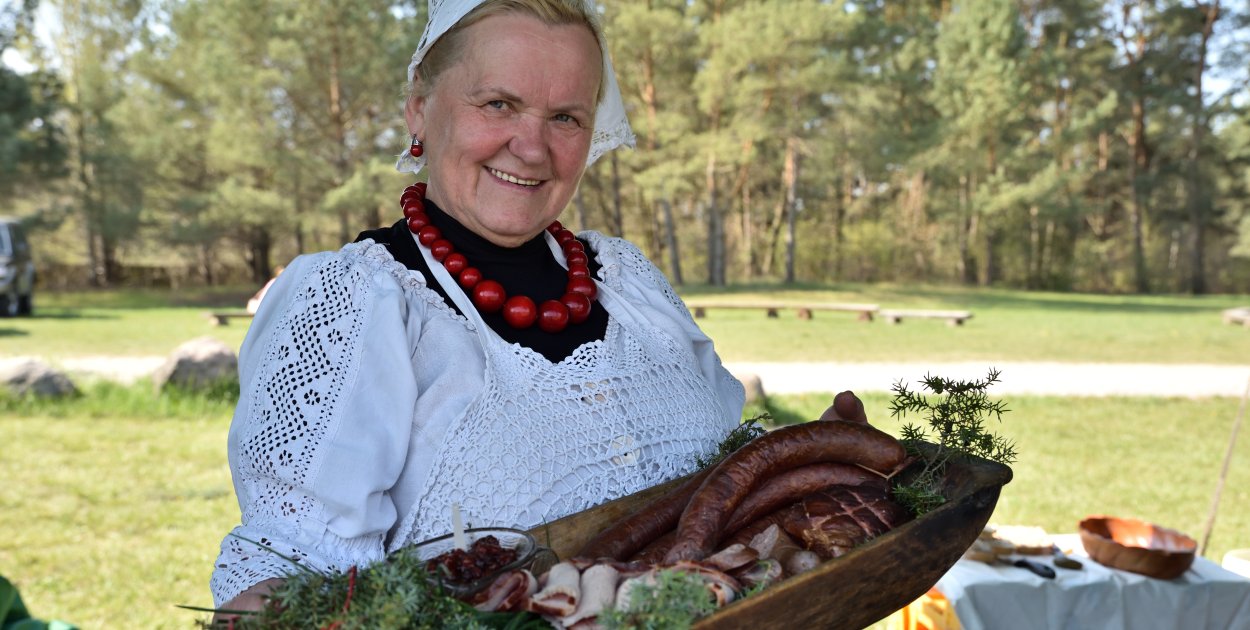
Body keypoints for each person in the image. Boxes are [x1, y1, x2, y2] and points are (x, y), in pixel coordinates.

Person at [210, 0, 745, 615]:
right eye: (499, 104)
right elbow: (288, 577)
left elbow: (738, 480)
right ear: (419, 108)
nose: (533, 147)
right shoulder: (354, 302)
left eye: (566, 117)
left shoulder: (630, 282)